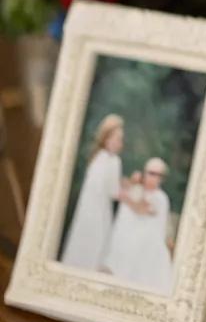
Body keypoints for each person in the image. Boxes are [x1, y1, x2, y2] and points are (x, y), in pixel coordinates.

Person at [60, 114, 124, 271]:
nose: (118, 143)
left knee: (83, 246)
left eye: (120, 139)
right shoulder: (112, 160)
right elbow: (114, 192)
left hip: (89, 212)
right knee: (95, 248)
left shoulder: (97, 157)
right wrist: (131, 196)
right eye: (115, 138)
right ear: (105, 138)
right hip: (98, 214)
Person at [104, 157, 174, 294]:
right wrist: (131, 183)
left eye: (159, 175)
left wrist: (128, 196)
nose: (155, 178)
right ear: (145, 173)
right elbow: (123, 192)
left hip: (149, 248)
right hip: (130, 244)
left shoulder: (161, 197)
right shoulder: (137, 190)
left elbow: (143, 209)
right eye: (151, 173)